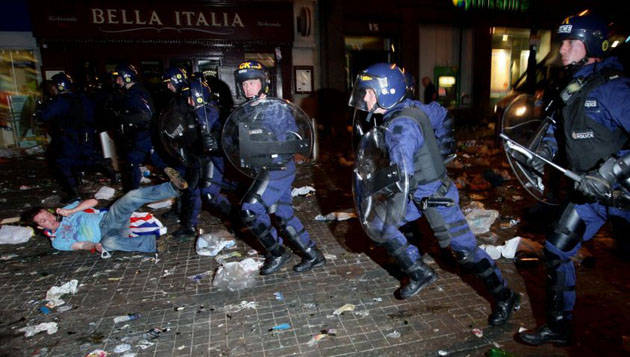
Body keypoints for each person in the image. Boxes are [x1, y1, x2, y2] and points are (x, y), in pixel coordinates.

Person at [349, 63, 519, 326]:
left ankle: (506, 296)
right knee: (383, 225)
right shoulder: (415, 108)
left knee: (465, 252)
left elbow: (399, 174)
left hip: (435, 195)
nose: (364, 98)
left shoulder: (400, 129)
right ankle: (419, 272)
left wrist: (372, 186)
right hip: (417, 191)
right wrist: (442, 148)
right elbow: (441, 114)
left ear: (388, 91)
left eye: (368, 92)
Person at [517, 13, 630, 346]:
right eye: (561, 42)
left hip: (623, 194)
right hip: (588, 194)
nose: (562, 49)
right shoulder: (569, 87)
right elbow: (557, 131)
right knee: (555, 252)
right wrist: (542, 154)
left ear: (591, 45)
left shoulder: (615, 87)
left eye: (569, 43)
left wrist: (611, 171)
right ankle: (558, 327)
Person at [234, 60, 325, 274]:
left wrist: (271, 144)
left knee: (250, 209)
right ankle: (313, 255)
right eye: (245, 84)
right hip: (261, 168)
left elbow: (293, 138)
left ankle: (276, 253)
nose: (248, 88)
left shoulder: (276, 109)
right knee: (282, 212)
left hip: (278, 168)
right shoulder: (245, 111)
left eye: (253, 83)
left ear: (263, 83)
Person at [26, 168, 187, 254]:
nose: (49, 219)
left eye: (47, 214)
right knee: (109, 243)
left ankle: (173, 187)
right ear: (40, 227)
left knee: (129, 197)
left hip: (108, 219)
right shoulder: (58, 242)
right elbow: (81, 245)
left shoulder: (66, 211)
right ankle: (156, 244)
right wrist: (95, 246)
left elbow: (93, 201)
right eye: (43, 221)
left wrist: (72, 211)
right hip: (104, 236)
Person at [35, 72, 115, 202]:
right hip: (86, 133)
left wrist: (40, 107)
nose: (52, 89)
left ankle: (74, 192)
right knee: (82, 157)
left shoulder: (60, 101)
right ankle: (102, 165)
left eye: (54, 87)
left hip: (69, 135)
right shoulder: (81, 97)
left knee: (63, 163)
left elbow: (44, 116)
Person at [112, 64, 167, 191]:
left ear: (127, 78)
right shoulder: (132, 92)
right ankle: (170, 173)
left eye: (119, 78)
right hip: (142, 134)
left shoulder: (136, 93)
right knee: (155, 160)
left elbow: (146, 115)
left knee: (132, 162)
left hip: (143, 133)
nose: (117, 81)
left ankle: (132, 193)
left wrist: (123, 118)